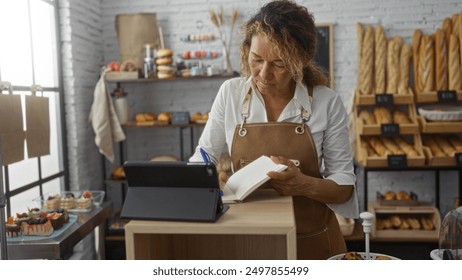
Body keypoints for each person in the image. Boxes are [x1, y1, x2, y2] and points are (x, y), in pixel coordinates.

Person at [189, 0, 358, 259]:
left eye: (279, 64)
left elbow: (343, 184)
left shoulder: (326, 102)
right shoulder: (230, 93)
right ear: (247, 50)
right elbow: (203, 155)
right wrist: (207, 177)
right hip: (247, 241)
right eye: (256, 59)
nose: (264, 74)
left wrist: (301, 185)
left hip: (313, 242)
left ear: (299, 61)